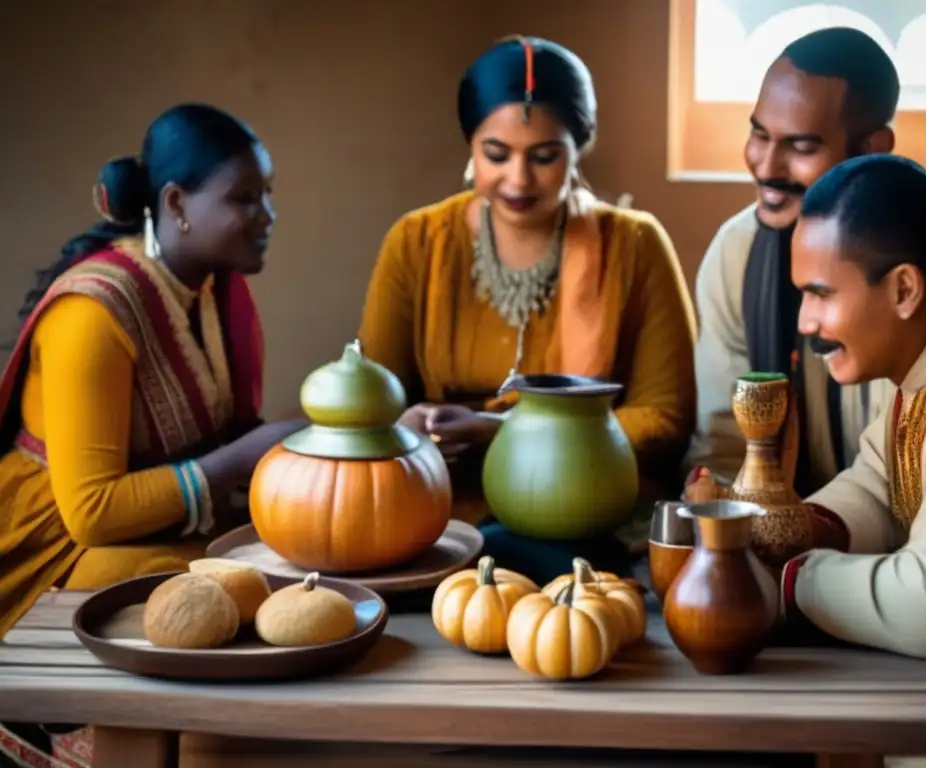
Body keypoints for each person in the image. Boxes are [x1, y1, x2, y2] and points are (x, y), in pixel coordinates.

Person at [0, 101, 310, 768]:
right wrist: (246, 457)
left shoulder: (206, 291)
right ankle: (66, 727)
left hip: (140, 521)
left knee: (270, 567)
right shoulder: (93, 311)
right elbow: (90, 512)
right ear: (177, 204)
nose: (268, 216)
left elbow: (222, 437)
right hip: (46, 539)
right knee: (189, 585)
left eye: (268, 196)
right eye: (245, 199)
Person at [358, 36, 698, 583]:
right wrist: (410, 427)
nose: (518, 180)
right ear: (470, 146)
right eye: (496, 154)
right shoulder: (417, 242)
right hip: (437, 512)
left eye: (544, 157)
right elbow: (371, 405)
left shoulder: (635, 245)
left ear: (578, 148)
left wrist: (501, 430)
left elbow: (664, 421)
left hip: (588, 513)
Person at [695, 153, 926, 659]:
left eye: (821, 295)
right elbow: (879, 485)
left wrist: (783, 583)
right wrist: (783, 536)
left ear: (904, 289)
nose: (805, 323)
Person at [688, 27, 926, 496]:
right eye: (759, 134)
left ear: (873, 147)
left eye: (802, 147)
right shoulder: (736, 252)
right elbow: (723, 447)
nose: (767, 166)